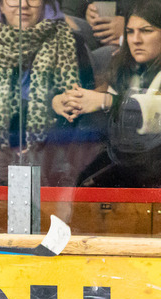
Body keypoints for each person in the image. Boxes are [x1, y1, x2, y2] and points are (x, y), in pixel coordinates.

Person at [0, 0, 97, 185]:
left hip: (52, 172)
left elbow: (82, 123)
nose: (23, 5)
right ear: (0, 5)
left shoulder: (72, 45)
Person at [60, 0, 161, 185]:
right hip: (125, 165)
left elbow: (155, 111)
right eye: (130, 32)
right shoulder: (123, 67)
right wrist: (68, 101)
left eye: (146, 31)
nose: (136, 39)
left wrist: (106, 100)